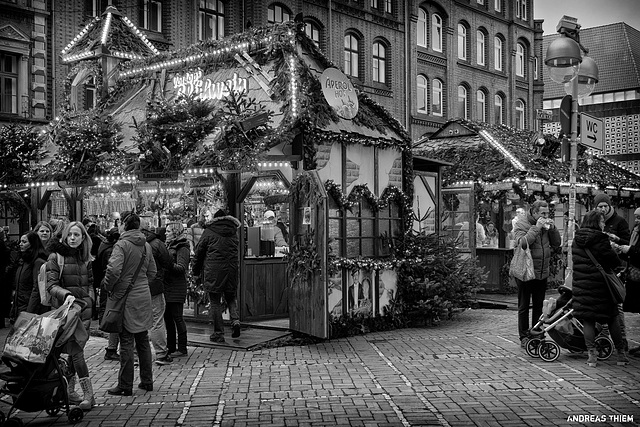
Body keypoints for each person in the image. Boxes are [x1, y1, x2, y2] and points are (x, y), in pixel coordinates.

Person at [103, 211, 157, 396]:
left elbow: (114, 270)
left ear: (124, 226)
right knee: (142, 339)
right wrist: (141, 284)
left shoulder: (122, 245)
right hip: (143, 296)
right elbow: (152, 272)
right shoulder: (146, 245)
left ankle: (125, 385)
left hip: (125, 298)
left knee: (126, 340)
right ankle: (147, 381)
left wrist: (108, 286)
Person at [46, 221, 95, 410]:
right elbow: (51, 286)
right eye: (70, 235)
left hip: (84, 312)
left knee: (76, 351)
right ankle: (88, 395)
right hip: (66, 313)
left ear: (83, 238)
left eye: (77, 235)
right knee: (76, 354)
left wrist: (90, 302)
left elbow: (90, 283)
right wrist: (66, 295)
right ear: (65, 236)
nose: (73, 238)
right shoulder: (55, 257)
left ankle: (71, 391)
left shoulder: (86, 258)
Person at [571, 209, 628, 367]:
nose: (604, 224)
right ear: (596, 222)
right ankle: (621, 355)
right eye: (602, 221)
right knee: (612, 318)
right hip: (602, 287)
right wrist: (614, 250)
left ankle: (592, 356)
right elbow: (613, 261)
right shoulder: (601, 239)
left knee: (588, 319)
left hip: (582, 286)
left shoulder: (577, 240)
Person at [512, 201, 561, 348]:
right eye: (543, 214)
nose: (546, 216)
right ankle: (524, 336)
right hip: (526, 271)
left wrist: (552, 229)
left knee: (539, 305)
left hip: (541, 271)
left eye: (547, 213)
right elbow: (523, 243)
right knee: (524, 305)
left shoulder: (546, 226)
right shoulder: (521, 224)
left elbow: (557, 244)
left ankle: (537, 333)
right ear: (533, 212)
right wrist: (536, 228)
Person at [193, 209, 241, 343]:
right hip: (231, 269)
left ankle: (218, 333)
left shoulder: (209, 231)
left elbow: (199, 253)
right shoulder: (233, 231)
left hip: (214, 270)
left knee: (214, 301)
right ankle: (235, 321)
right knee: (231, 297)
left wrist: (195, 272)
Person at [594, 193, 631, 351]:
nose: (603, 209)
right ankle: (602, 338)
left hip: (616, 270)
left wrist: (617, 240)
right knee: (600, 305)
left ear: (610, 206)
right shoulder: (593, 220)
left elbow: (628, 243)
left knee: (617, 306)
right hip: (599, 269)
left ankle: (621, 340)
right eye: (600, 206)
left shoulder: (619, 221)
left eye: (605, 206)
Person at [141, 222, 174, 365]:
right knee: (156, 320)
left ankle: (137, 355)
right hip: (154, 285)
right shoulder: (156, 243)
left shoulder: (127, 243)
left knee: (137, 321)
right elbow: (168, 262)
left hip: (137, 288)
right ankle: (161, 353)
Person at [614, 207, 640, 355]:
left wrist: (629, 250)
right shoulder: (635, 232)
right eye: (636, 217)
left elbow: (636, 251)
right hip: (634, 276)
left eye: (639, 218)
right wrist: (621, 248)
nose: (636, 220)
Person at [164, 222, 190, 358]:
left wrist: (167, 263)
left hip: (176, 287)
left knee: (177, 318)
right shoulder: (169, 246)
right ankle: (171, 347)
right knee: (168, 318)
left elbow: (181, 268)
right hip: (167, 286)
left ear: (175, 232)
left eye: (168, 231)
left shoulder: (182, 247)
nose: (165, 233)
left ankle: (182, 348)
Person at [96, 227, 121, 361]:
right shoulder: (111, 250)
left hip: (106, 283)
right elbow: (112, 270)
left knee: (113, 315)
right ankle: (111, 349)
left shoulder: (104, 246)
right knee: (114, 316)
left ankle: (111, 348)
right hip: (111, 285)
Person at [10, 232, 47, 320]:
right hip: (20, 308)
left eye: (24, 242)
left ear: (32, 244)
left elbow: (36, 289)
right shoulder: (23, 261)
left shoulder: (37, 262)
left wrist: (29, 313)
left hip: (30, 310)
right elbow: (18, 287)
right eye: (20, 241)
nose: (20, 244)